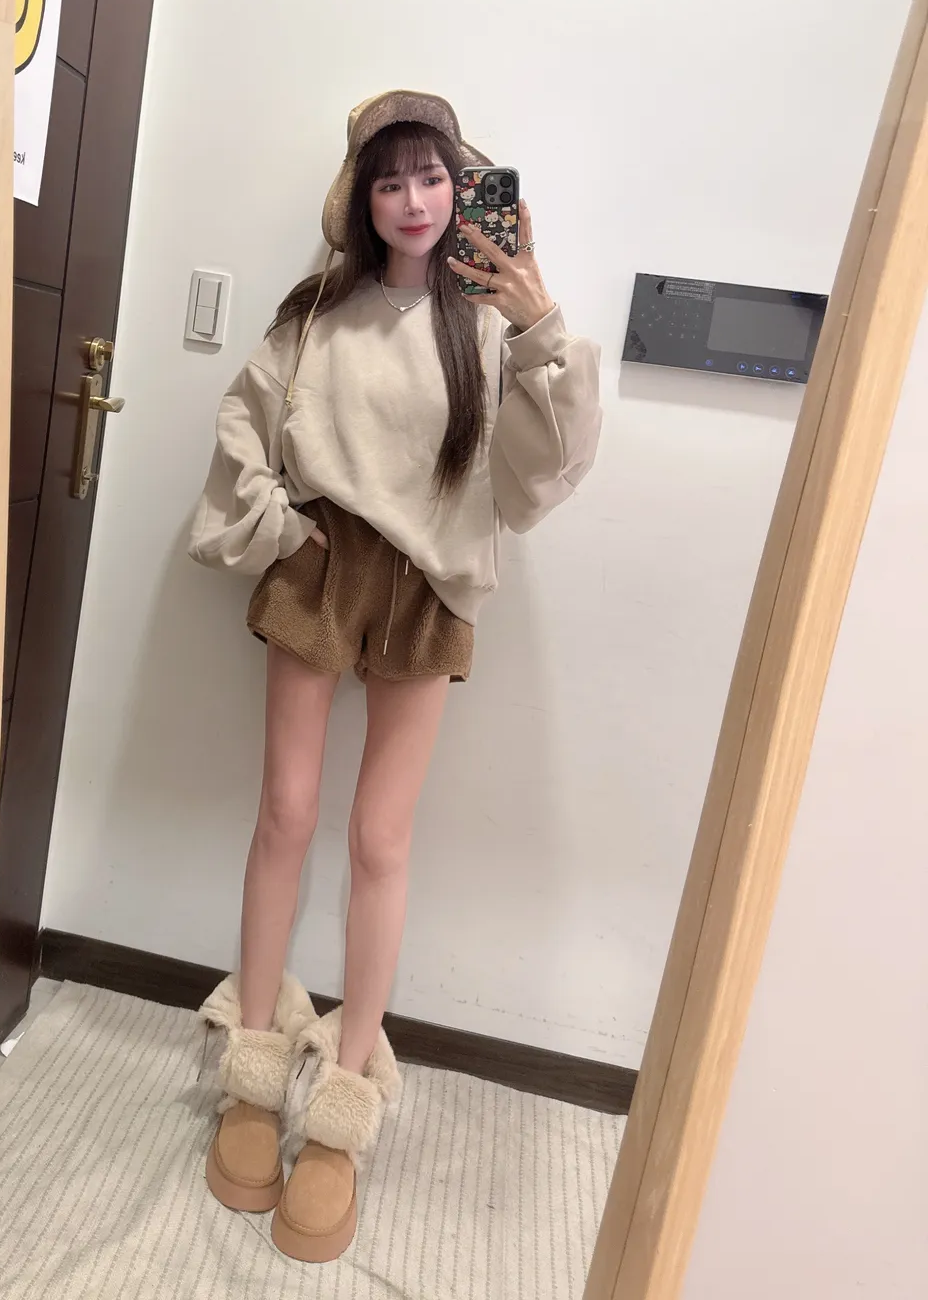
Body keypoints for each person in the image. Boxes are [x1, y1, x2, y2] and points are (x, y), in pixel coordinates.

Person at [189, 90, 602, 1263]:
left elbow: (545, 475)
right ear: (360, 196)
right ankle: (252, 1067)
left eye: (433, 177)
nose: (414, 200)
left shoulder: (490, 328)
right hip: (324, 571)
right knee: (284, 812)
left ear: (464, 190)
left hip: (427, 587)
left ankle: (342, 1109)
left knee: (380, 839)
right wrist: (280, 524)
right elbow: (244, 416)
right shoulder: (320, 312)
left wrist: (541, 323)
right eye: (390, 179)